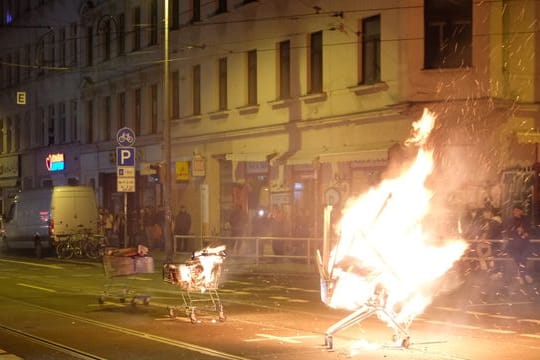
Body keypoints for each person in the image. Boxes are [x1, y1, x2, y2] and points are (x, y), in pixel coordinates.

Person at [504, 205, 533, 284]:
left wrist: (524, 232)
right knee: (518, 258)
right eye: (514, 211)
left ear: (521, 211)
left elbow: (530, 230)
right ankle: (523, 274)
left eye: (517, 210)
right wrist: (516, 231)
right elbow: (507, 232)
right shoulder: (510, 220)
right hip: (513, 245)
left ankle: (522, 274)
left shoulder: (526, 219)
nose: (515, 212)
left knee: (523, 258)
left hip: (524, 244)